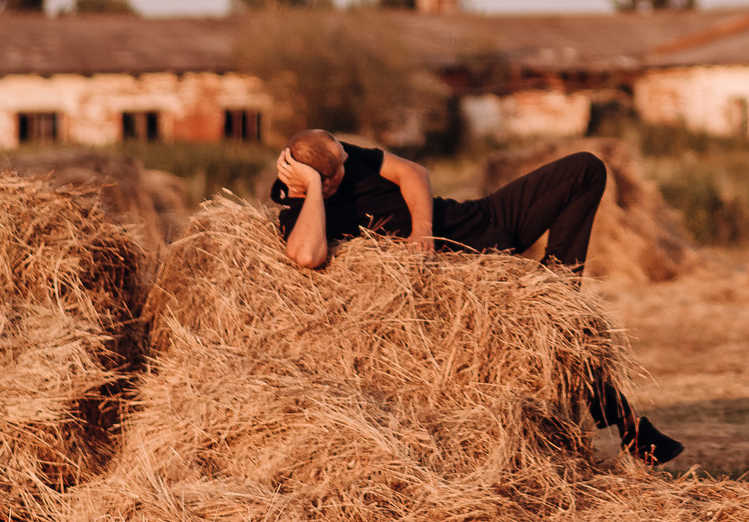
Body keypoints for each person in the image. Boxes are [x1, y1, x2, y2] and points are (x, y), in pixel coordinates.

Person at [272, 129, 684, 466]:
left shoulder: (343, 154)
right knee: (561, 333)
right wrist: (309, 189)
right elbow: (308, 255)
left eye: (344, 156)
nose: (349, 163)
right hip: (473, 272)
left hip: (485, 219)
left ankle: (556, 289)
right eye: (338, 168)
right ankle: (629, 427)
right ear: (320, 181)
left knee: (586, 169)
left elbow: (412, 172)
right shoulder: (301, 212)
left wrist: (423, 229)